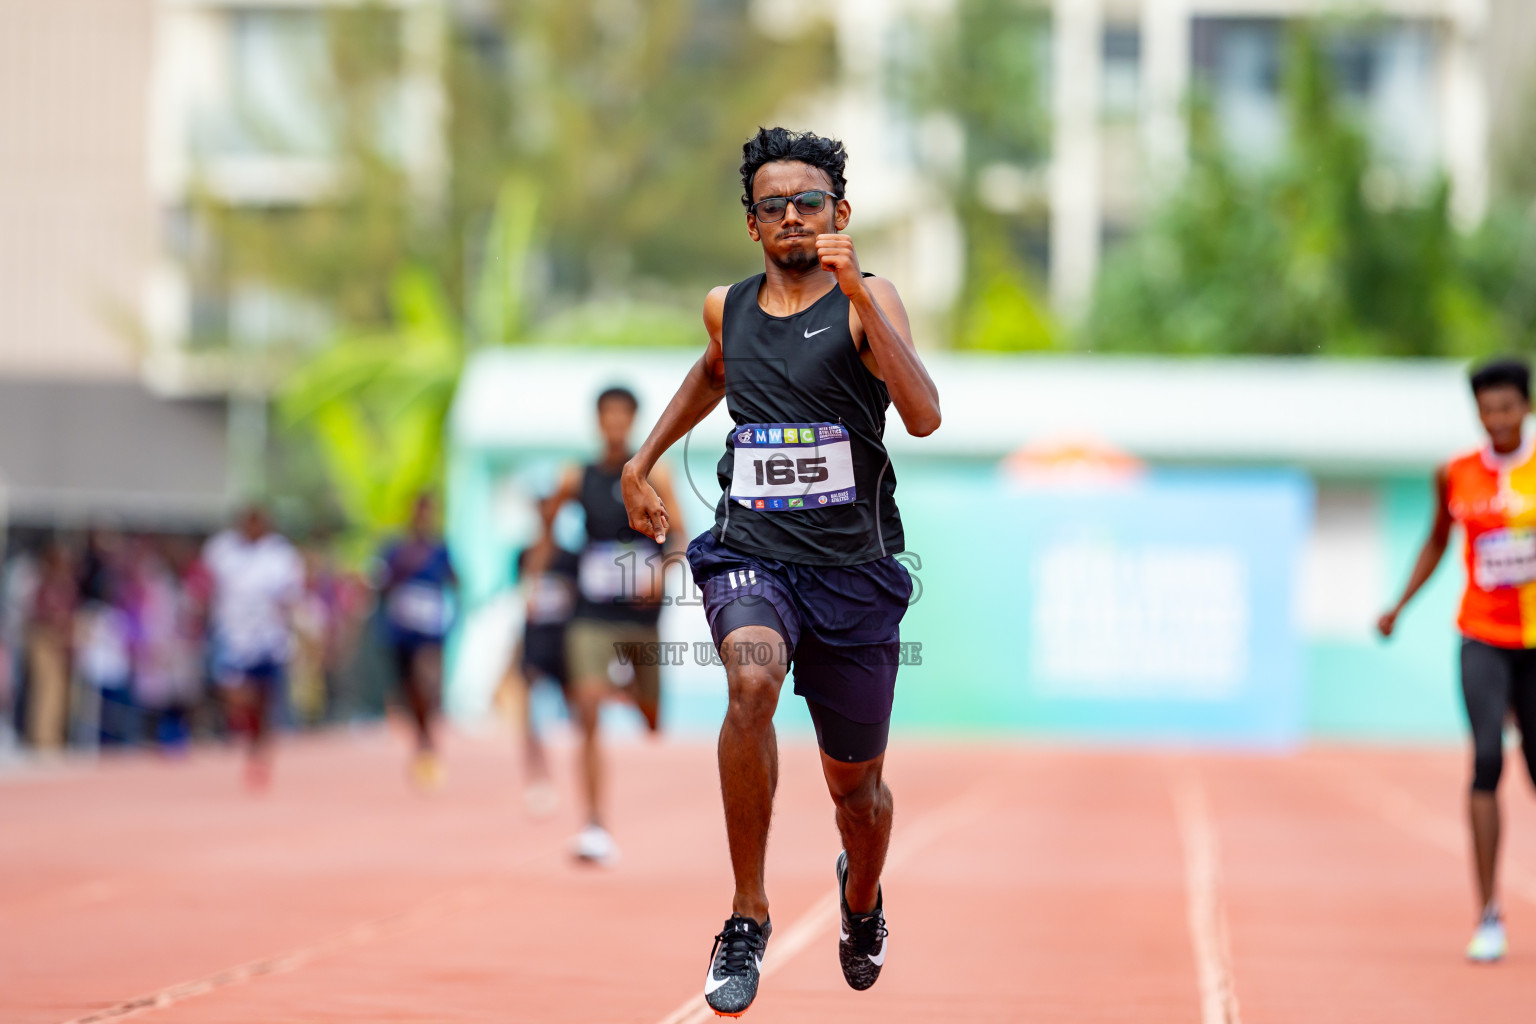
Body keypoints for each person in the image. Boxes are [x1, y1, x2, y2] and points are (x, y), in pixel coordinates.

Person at [621, 127, 940, 1015]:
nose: (792, 216)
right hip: (753, 554)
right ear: (752, 224)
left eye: (809, 202)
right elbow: (712, 372)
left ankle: (862, 897)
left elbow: (923, 416)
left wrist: (857, 295)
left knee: (860, 797)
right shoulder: (729, 306)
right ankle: (748, 914)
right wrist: (642, 461)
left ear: (840, 214)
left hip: (854, 572)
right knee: (750, 683)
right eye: (774, 206)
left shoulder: (868, 299)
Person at [1380, 356, 1536, 964]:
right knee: (1488, 758)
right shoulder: (1455, 474)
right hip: (1482, 635)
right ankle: (1488, 912)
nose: (1496, 419)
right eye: (1486, 409)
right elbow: (1437, 541)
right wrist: (1399, 605)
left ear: (1526, 407)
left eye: (1507, 407)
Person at [543, 386, 685, 865]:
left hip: (641, 614)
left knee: (651, 718)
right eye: (608, 415)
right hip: (592, 612)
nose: (615, 424)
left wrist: (662, 576)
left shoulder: (654, 473)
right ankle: (594, 823)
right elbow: (548, 521)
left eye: (624, 416)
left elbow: (679, 537)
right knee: (585, 707)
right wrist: (546, 566)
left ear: (633, 420)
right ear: (598, 420)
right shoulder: (575, 476)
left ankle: (624, 688)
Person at [203, 506, 303, 789]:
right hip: (233, 636)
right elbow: (206, 584)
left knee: (264, 697)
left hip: (267, 638)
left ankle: (260, 743)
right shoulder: (221, 551)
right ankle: (247, 731)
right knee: (235, 692)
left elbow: (290, 594)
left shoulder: (280, 555)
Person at [378, 494, 458, 790]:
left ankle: (428, 737)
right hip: (402, 630)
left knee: (428, 681)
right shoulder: (395, 549)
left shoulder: (440, 550)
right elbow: (382, 583)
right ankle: (422, 735)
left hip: (430, 629)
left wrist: (452, 613)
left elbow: (455, 580)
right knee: (409, 689)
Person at [503, 513, 581, 818]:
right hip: (534, 642)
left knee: (577, 711)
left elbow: (577, 598)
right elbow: (521, 594)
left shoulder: (571, 557)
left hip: (563, 642)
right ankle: (537, 777)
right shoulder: (525, 555)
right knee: (530, 712)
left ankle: (579, 774)